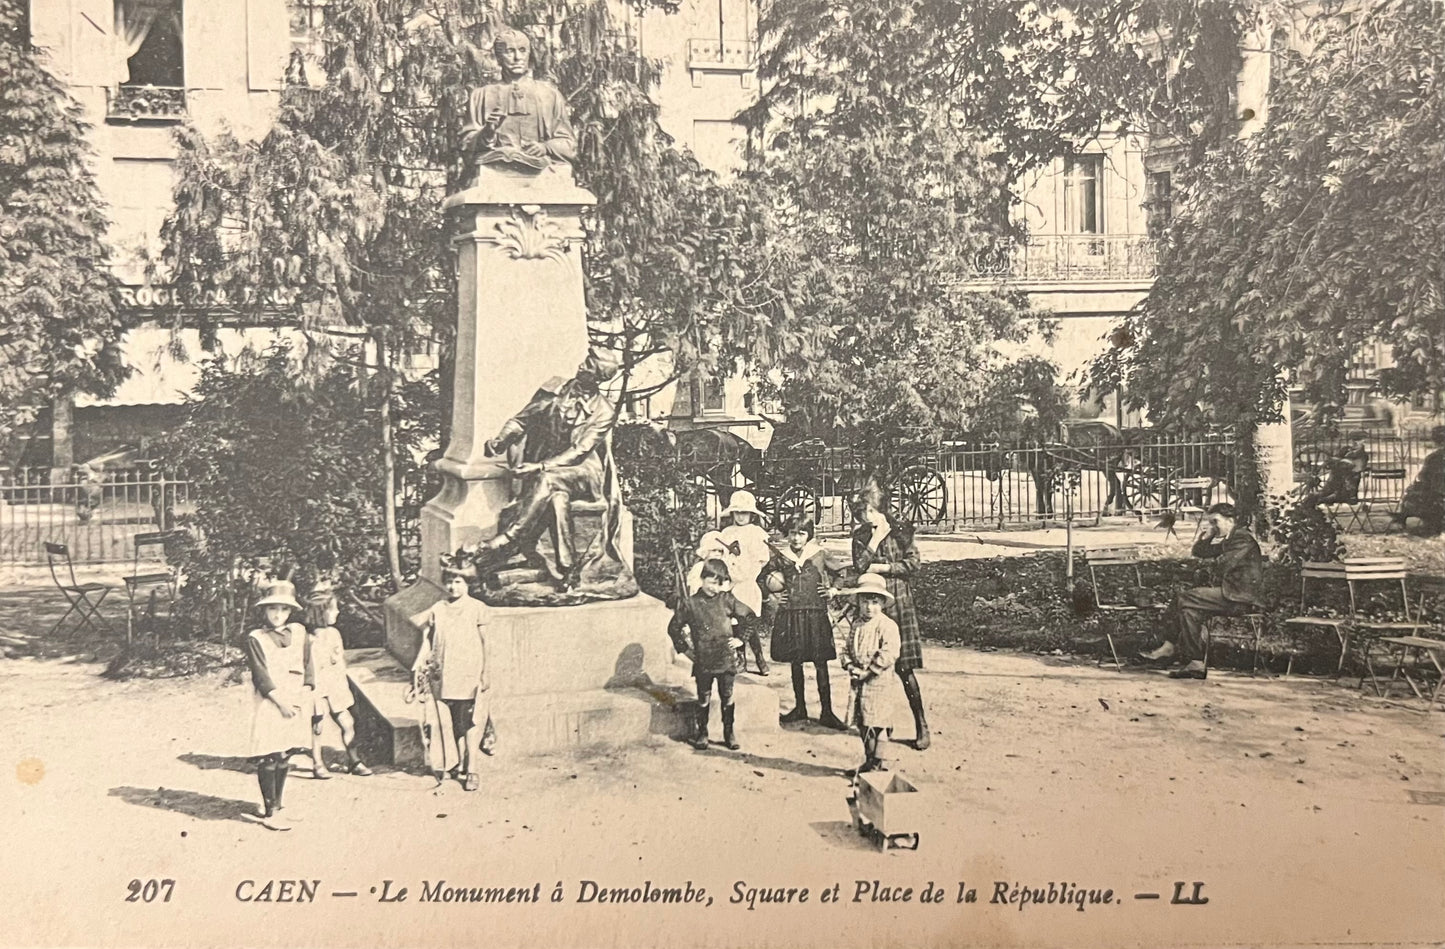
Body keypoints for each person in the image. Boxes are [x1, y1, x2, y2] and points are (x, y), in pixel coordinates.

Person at [468, 349, 632, 595]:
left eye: (589, 365)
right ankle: (566, 569)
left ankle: (510, 538)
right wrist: (500, 441)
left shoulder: (605, 411)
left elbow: (579, 451)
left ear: (598, 377)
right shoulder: (555, 389)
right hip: (556, 476)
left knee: (548, 478)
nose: (581, 365)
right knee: (557, 497)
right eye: (585, 360)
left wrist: (540, 466)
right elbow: (523, 420)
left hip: (584, 472)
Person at [1140, 502, 1265, 679]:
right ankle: (1195, 663)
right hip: (1230, 595)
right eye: (1211, 522)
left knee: (1183, 598)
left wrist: (1211, 561)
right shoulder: (1229, 538)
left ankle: (1169, 646)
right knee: (1189, 611)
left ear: (1230, 520)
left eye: (1215, 522)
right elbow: (1199, 552)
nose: (1213, 526)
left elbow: (1224, 564)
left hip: (1241, 597)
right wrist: (1208, 537)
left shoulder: (1241, 538)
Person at [850, 479, 930, 750]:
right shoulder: (861, 536)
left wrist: (885, 568)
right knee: (873, 667)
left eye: (871, 511)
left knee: (904, 669)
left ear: (882, 509)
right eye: (863, 513)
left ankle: (922, 725)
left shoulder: (901, 533)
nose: (867, 517)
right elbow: (859, 566)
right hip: (873, 609)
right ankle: (880, 722)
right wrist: (873, 539)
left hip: (899, 604)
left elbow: (913, 563)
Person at [409, 559, 492, 790]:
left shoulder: (477, 608)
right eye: (449, 582)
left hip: (469, 672)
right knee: (452, 721)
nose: (453, 587)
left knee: (470, 719)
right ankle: (455, 763)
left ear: (467, 583)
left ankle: (472, 767)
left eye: (458, 582)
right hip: (443, 673)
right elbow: (427, 639)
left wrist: (485, 672)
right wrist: (419, 666)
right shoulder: (438, 608)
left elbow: (486, 643)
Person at [763, 516, 848, 729]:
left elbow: (841, 572)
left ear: (809, 535)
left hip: (815, 614)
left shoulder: (819, 554)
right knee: (796, 660)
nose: (796, 537)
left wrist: (833, 590)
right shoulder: (781, 557)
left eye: (801, 533)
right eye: (792, 532)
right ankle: (800, 707)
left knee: (820, 662)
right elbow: (762, 578)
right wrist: (774, 596)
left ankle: (827, 711)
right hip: (791, 614)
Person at [668, 558, 759, 751]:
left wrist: (741, 639)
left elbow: (749, 617)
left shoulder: (727, 600)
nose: (715, 588)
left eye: (720, 584)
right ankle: (702, 733)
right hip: (703, 660)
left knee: (727, 696)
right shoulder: (690, 603)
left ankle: (729, 732)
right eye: (711, 583)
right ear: (702, 579)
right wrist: (685, 650)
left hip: (725, 658)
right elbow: (673, 628)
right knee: (704, 697)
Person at [459, 28, 577, 174]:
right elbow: (466, 144)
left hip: (541, 171)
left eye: (522, 50)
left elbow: (569, 144)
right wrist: (487, 133)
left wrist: (545, 147)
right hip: (495, 171)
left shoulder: (549, 95)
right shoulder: (481, 96)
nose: (517, 57)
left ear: (529, 54)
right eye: (509, 51)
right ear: (499, 57)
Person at [242, 580, 311, 829]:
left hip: (295, 701)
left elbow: (307, 664)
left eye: (283, 609)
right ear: (264, 611)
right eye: (272, 609)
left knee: (285, 754)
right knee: (270, 755)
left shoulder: (299, 633)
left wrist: (305, 692)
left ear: (290, 611)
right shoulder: (256, 638)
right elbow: (261, 676)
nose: (277, 614)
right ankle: (270, 811)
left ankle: (279, 804)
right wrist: (280, 702)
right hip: (271, 702)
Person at [302, 583, 371, 779]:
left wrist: (344, 687)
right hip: (317, 689)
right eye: (333, 609)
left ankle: (354, 760)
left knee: (347, 723)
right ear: (320, 613)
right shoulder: (307, 639)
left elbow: (339, 662)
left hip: (335, 687)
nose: (338, 612)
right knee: (318, 726)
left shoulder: (334, 634)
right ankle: (317, 763)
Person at [837, 574, 902, 775]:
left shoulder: (886, 625)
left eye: (874, 602)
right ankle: (869, 759)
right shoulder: (857, 624)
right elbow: (847, 649)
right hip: (859, 681)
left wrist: (869, 671)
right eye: (865, 602)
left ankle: (877, 762)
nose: (869, 607)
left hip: (878, 682)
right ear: (858, 602)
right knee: (864, 724)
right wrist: (849, 666)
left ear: (882, 604)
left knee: (878, 724)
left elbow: (890, 652)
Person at [718, 490, 772, 675]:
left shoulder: (756, 533)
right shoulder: (726, 533)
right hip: (730, 583)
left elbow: (760, 560)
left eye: (745, 512)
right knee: (734, 623)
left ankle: (759, 658)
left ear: (752, 514)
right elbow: (722, 557)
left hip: (747, 583)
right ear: (732, 513)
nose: (741, 516)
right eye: (737, 512)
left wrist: (746, 574)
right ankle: (741, 658)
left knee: (748, 621)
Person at [1393, 425, 1444, 536]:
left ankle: (1402, 519)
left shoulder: (1433, 458)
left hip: (1436, 496)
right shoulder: (1434, 458)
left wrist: (1413, 488)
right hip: (1438, 495)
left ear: (1435, 441)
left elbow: (1422, 478)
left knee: (1411, 495)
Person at [1302, 439, 1367, 507]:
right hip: (1332, 487)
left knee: (1319, 498)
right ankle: (1305, 510)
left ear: (1363, 442)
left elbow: (1356, 466)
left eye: (1358, 440)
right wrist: (1333, 461)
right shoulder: (1346, 450)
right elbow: (1334, 459)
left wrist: (1341, 461)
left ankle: (1314, 506)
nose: (1355, 442)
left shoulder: (1362, 455)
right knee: (1313, 497)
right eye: (1354, 440)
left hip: (1346, 491)